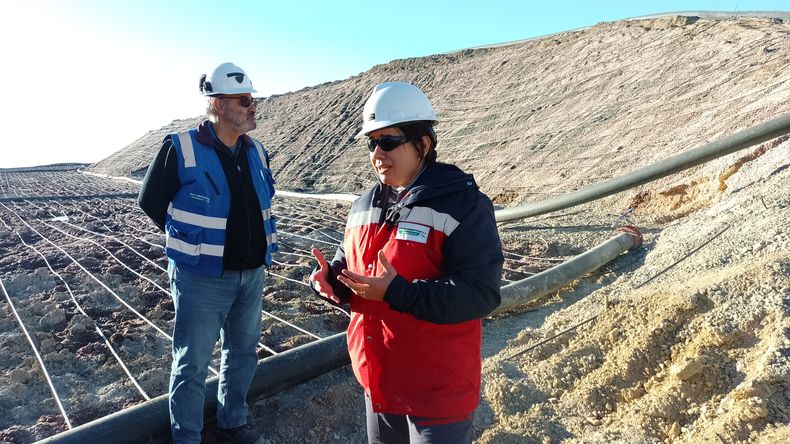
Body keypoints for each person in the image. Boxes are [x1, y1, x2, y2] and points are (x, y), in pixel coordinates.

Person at [309, 81, 504, 443]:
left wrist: (399, 293)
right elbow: (345, 266)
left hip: (436, 390)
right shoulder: (363, 205)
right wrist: (330, 282)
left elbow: (481, 293)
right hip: (378, 382)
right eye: (372, 143)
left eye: (389, 142)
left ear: (423, 144)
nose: (377, 153)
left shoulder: (463, 204)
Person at [138, 62, 276, 444]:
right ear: (217, 104)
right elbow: (151, 202)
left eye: (253, 100)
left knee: (243, 353)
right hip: (201, 278)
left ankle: (233, 421)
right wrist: (190, 242)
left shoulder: (257, 151)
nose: (253, 107)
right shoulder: (180, 147)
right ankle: (187, 437)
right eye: (245, 100)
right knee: (192, 363)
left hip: (252, 275)